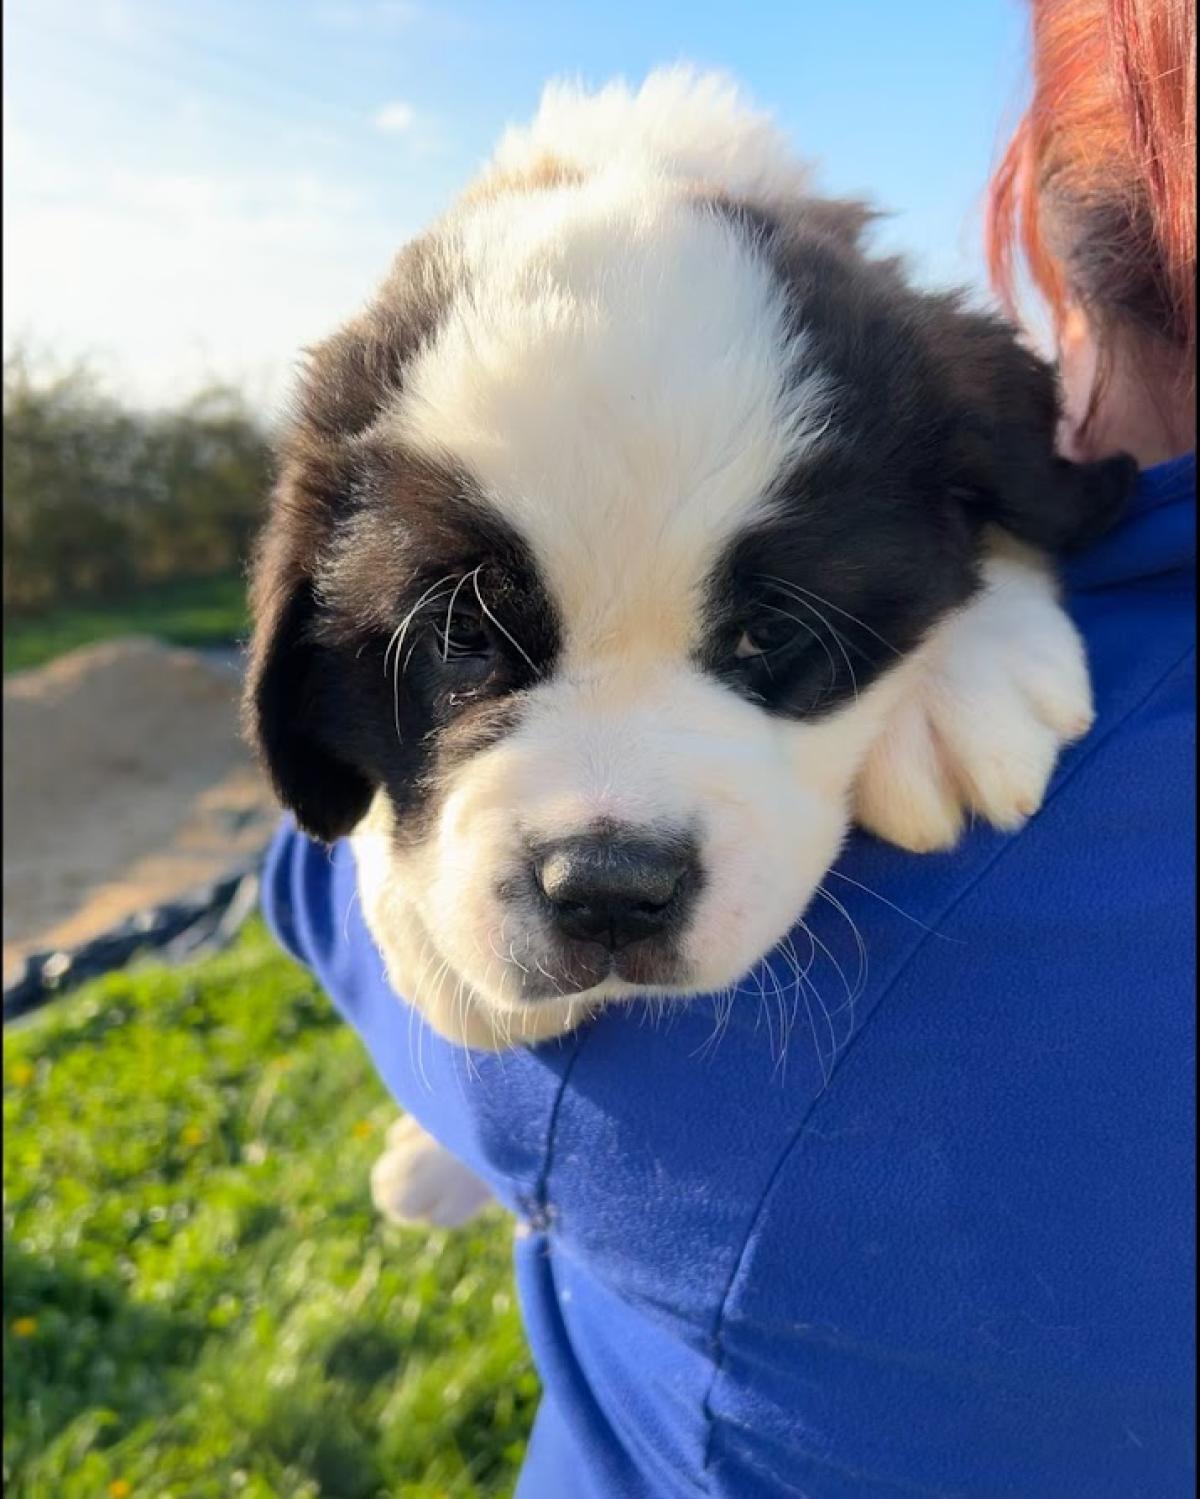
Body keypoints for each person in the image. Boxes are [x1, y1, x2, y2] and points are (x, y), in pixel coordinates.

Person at [261, 1, 1195, 1492]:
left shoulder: (906, 432)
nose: (609, 838)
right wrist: (387, 844)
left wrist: (991, 595)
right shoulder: (487, 375)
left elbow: (286, 879)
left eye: (774, 648)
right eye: (462, 641)